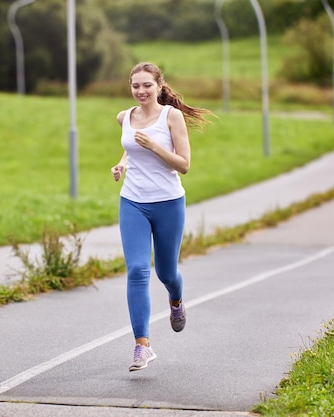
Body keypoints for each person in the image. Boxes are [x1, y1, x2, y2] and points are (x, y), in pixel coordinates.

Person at [111, 62, 212, 372]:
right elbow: (131, 145)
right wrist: (122, 163)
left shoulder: (172, 116)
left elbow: (183, 165)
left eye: (147, 86)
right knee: (138, 270)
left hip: (168, 203)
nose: (140, 91)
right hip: (133, 202)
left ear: (158, 87)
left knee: (166, 273)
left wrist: (154, 145)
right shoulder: (124, 117)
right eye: (135, 86)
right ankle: (142, 346)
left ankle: (176, 300)